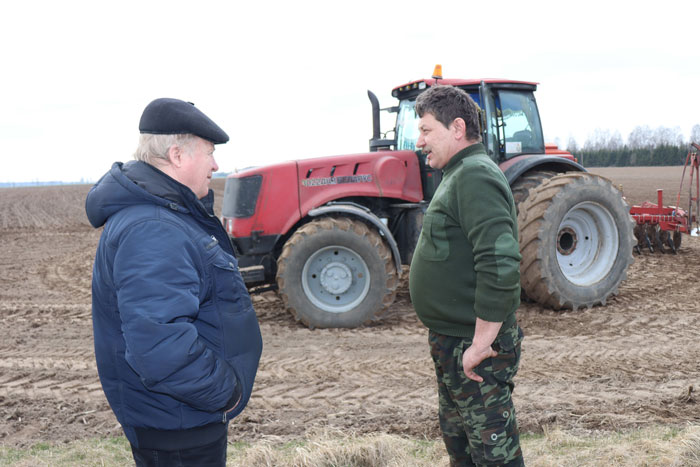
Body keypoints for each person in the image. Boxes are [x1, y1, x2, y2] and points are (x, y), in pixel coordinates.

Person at [86, 98, 263, 466]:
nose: (216, 165)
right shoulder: (154, 229)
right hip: (179, 425)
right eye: (210, 153)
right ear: (178, 155)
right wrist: (224, 392)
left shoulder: (165, 216)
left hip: (181, 417)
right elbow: (158, 345)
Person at [408, 85, 524, 466]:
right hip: (454, 340)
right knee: (465, 450)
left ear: (457, 128)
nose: (419, 140)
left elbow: (499, 262)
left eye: (426, 130)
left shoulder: (474, 175)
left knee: (494, 455)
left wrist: (480, 344)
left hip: (472, 346)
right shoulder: (458, 173)